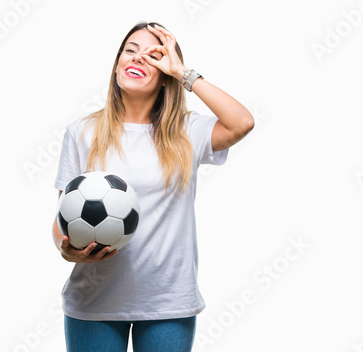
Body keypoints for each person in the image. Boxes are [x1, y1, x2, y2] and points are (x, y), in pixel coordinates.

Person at [51, 21, 254, 352]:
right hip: (94, 303)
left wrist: (183, 71)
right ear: (117, 62)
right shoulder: (82, 132)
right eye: (130, 50)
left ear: (165, 74)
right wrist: (65, 248)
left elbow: (242, 122)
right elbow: (62, 220)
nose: (137, 59)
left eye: (153, 56)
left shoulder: (188, 131)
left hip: (168, 304)